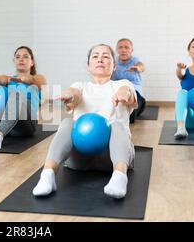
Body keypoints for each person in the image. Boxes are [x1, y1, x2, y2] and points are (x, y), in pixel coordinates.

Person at [32, 44, 137, 199]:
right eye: (95, 56)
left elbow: (127, 92)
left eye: (106, 56)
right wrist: (68, 94)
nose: (100, 59)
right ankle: (47, 176)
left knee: (117, 125)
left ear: (114, 66)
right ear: (88, 66)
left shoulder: (121, 84)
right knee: (68, 123)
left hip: (111, 157)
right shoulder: (80, 86)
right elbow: (74, 94)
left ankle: (120, 178)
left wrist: (122, 94)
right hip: (80, 159)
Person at [112, 38, 146, 123]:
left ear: (131, 50)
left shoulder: (135, 61)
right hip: (118, 92)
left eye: (126, 47)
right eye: (120, 47)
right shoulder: (113, 62)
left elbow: (142, 66)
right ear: (116, 50)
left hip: (135, 93)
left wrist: (137, 68)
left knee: (130, 117)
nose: (123, 50)